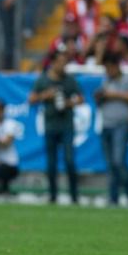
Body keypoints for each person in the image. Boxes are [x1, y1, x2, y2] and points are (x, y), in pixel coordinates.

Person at [29, 46, 84, 204]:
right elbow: (31, 99)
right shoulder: (43, 80)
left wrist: (69, 102)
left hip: (67, 125)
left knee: (69, 160)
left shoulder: (69, 80)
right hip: (50, 125)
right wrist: (45, 95)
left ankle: (74, 196)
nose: (63, 66)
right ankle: (53, 195)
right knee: (51, 163)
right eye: (60, 62)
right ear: (53, 63)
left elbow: (81, 98)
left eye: (65, 62)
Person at [95, 51, 128, 206]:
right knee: (110, 165)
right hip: (106, 124)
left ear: (116, 66)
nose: (107, 71)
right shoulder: (106, 80)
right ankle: (113, 198)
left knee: (118, 161)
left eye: (109, 68)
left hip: (121, 125)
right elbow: (103, 98)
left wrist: (114, 94)